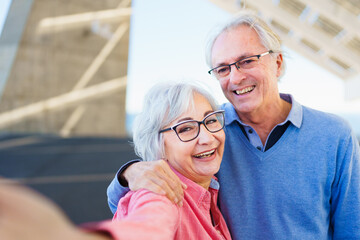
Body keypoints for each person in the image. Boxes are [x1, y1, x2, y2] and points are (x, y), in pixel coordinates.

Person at [107, 10, 360, 239]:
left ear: (278, 63)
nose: (236, 78)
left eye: (247, 61)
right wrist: (129, 174)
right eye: (222, 69)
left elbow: (352, 229)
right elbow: (132, 207)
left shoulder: (335, 136)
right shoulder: (211, 132)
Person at [0, 81, 232, 240]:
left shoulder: (209, 186)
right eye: (187, 128)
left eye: (210, 120)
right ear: (158, 145)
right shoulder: (161, 194)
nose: (206, 137)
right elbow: (148, 226)